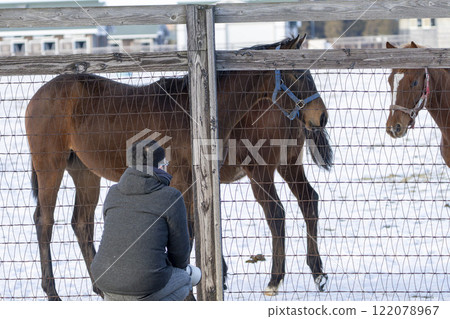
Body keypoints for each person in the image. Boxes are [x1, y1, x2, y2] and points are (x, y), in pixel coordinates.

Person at [91, 139, 200, 301]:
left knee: (120, 292)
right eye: (165, 162)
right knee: (186, 279)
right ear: (159, 166)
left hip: (104, 280)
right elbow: (180, 255)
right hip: (144, 284)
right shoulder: (171, 197)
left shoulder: (113, 192)